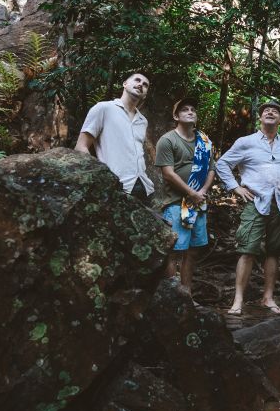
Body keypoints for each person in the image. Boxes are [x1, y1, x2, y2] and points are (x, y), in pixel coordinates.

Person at [216, 100, 280, 315]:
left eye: (276, 111)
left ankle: (268, 298)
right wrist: (235, 188)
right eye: (266, 110)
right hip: (255, 202)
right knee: (247, 251)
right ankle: (238, 301)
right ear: (260, 117)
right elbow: (222, 164)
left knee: (274, 253)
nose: (270, 112)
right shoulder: (246, 142)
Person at [154, 97, 215, 293]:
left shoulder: (204, 141)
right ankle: (174, 295)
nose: (190, 112)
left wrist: (202, 192)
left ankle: (187, 293)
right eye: (184, 110)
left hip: (198, 204)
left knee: (193, 251)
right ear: (176, 116)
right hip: (175, 203)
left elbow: (211, 169)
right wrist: (191, 193)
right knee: (174, 251)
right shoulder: (168, 140)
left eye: (193, 110)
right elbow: (168, 173)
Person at [75, 71, 154, 200]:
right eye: (137, 80)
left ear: (145, 95)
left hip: (145, 188)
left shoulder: (143, 121)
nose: (141, 85)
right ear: (125, 84)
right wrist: (101, 179)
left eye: (145, 85)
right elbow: (80, 147)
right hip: (116, 187)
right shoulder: (103, 108)